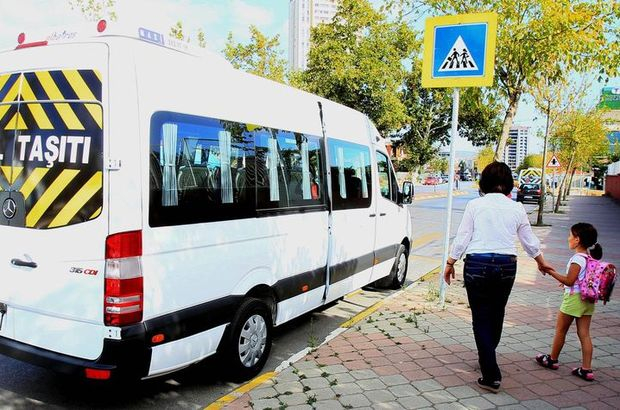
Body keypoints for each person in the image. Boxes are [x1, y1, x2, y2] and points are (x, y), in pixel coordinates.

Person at [443, 161, 553, 393]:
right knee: (497, 312)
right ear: (509, 184)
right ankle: (488, 355)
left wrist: (450, 262)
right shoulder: (517, 207)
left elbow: (463, 237)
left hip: (477, 264)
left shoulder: (475, 205)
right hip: (506, 265)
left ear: (484, 182)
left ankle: (490, 372)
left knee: (480, 317)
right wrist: (540, 262)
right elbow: (528, 239)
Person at [535, 223, 602, 381]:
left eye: (570, 236)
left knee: (561, 330)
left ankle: (552, 359)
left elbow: (570, 281)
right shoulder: (589, 257)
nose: (568, 238)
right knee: (584, 334)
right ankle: (586, 369)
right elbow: (580, 279)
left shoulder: (577, 259)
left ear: (577, 240)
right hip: (588, 300)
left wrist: (550, 271)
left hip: (574, 300)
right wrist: (565, 281)